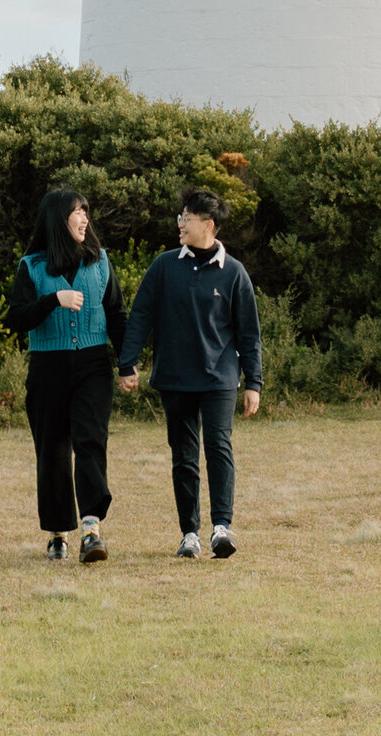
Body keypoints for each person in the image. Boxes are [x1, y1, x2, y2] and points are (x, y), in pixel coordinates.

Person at [117, 185, 262, 560]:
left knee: (218, 448)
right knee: (183, 455)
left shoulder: (234, 272)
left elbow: (249, 332)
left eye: (188, 218)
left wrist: (254, 382)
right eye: (180, 217)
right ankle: (189, 533)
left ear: (209, 225)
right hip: (175, 378)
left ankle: (221, 528)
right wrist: (127, 362)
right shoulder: (164, 266)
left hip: (220, 379)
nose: (180, 224)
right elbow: (141, 315)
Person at [5, 188, 127, 565]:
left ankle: (91, 530)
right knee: (53, 452)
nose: (85, 218)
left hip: (93, 365)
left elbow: (118, 315)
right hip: (47, 368)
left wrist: (128, 362)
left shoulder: (101, 262)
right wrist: (53, 300)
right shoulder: (31, 267)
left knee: (91, 442)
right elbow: (14, 319)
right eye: (78, 212)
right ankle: (58, 534)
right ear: (59, 219)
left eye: (86, 212)